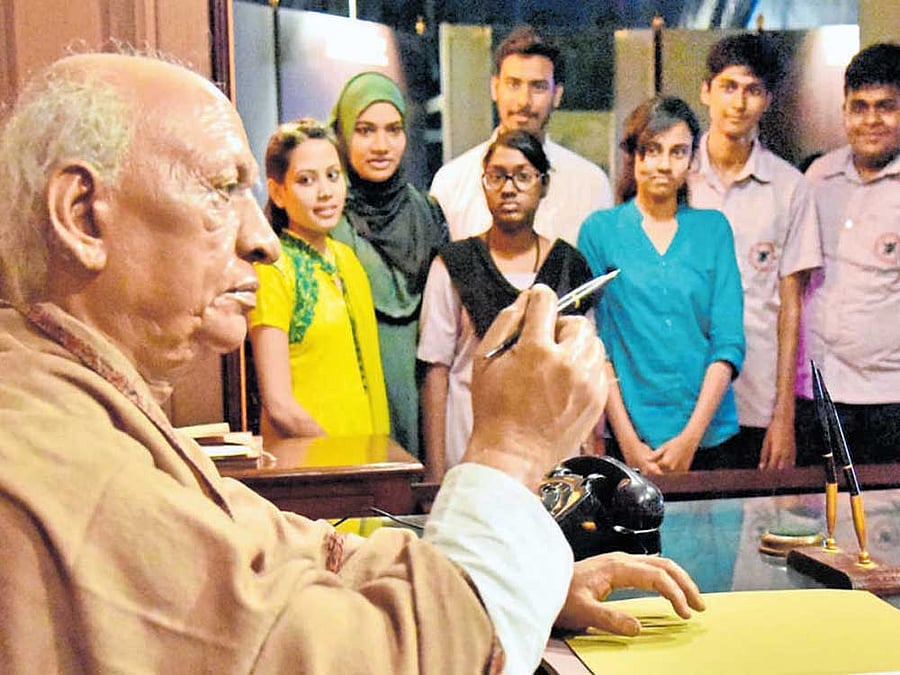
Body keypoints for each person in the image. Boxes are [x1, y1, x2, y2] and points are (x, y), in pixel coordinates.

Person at [0, 53, 705, 673]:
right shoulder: (59, 456)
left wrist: (528, 578)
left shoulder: (79, 402)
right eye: (222, 189)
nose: (261, 240)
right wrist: (513, 449)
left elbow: (290, 548)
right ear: (84, 215)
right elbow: (402, 661)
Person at [578, 96, 746, 475]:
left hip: (709, 434)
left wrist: (690, 438)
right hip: (631, 434)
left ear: (692, 160)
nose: (664, 164)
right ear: (634, 156)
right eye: (652, 150)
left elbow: (728, 341)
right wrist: (627, 441)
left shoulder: (713, 229)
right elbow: (593, 345)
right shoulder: (600, 231)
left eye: (678, 152)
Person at [419, 129, 595, 482]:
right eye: (497, 176)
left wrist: (590, 457)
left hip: (552, 455)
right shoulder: (454, 264)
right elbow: (435, 371)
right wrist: (435, 478)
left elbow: (584, 368)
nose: (509, 188)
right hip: (470, 450)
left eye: (523, 176)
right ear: (483, 184)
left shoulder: (568, 265)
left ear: (543, 185)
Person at [687, 33, 822, 470]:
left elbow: (790, 307)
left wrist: (783, 413)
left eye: (753, 90)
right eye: (729, 87)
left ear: (768, 99)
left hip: (755, 397)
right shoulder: (676, 176)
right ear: (706, 91)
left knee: (749, 531)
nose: (739, 103)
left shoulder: (789, 188)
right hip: (682, 392)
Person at [330, 72, 448, 459]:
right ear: (343, 135)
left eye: (393, 130)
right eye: (365, 130)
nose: (381, 145)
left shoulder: (427, 214)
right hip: (353, 395)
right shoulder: (327, 220)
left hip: (423, 395)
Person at [248, 119, 390, 442]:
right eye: (306, 180)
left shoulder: (348, 260)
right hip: (311, 469)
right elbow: (279, 405)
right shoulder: (273, 268)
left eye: (332, 176)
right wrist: (335, 457)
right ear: (278, 193)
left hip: (364, 458)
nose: (325, 192)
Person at [796, 42, 900, 465]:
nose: (871, 120)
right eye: (859, 107)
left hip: (889, 400)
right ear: (844, 111)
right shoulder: (818, 176)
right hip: (818, 394)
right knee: (818, 521)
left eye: (886, 107)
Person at [430, 24, 613, 244]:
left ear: (557, 95)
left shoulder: (590, 185)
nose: (523, 101)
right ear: (494, 88)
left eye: (538, 87)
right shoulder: (452, 182)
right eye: (513, 84)